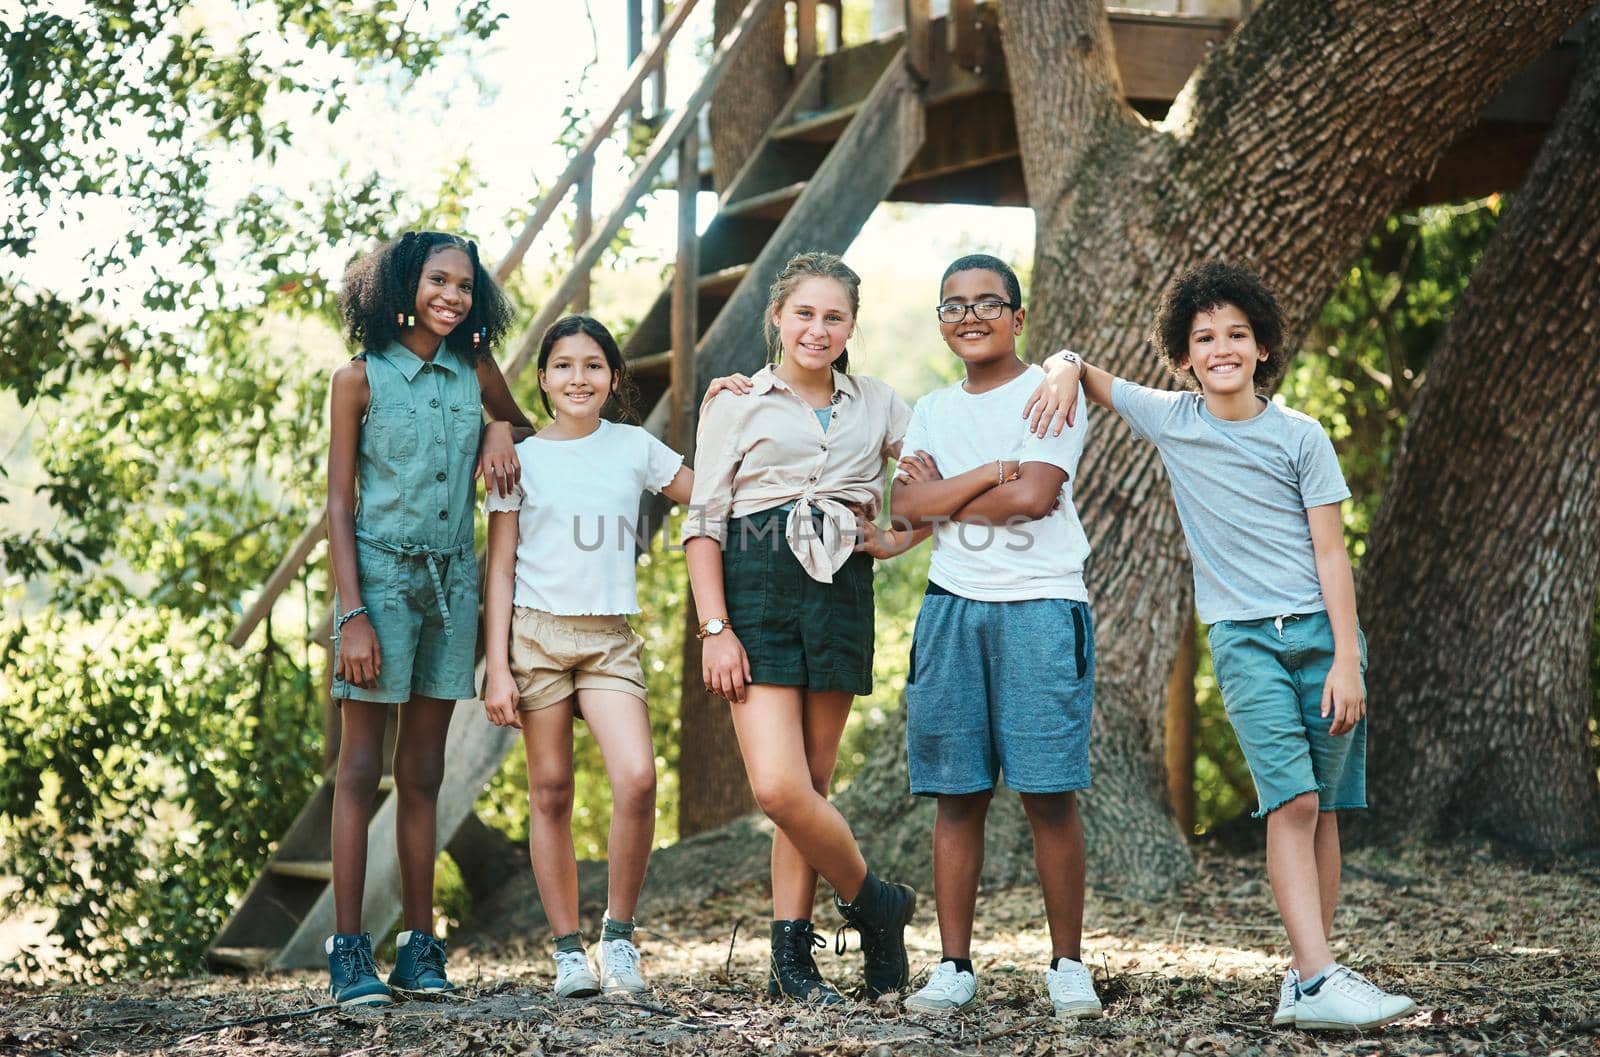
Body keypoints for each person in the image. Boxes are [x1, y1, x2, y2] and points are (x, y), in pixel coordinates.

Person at [1024, 260, 1417, 1032]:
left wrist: (1346, 656)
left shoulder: (1302, 437)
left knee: (1325, 809)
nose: (1222, 347)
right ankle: (1317, 977)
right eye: (1204, 337)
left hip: (1323, 636)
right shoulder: (1174, 417)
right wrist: (1062, 366)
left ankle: (1310, 974)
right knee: (1293, 801)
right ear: (1183, 356)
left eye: (1237, 333)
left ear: (1263, 346)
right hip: (1245, 641)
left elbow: (1332, 555)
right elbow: (1089, 373)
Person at [683, 251, 922, 1005]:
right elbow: (703, 523)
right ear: (778, 318)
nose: (818, 329)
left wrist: (899, 532)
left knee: (814, 783)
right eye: (805, 313)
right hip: (754, 587)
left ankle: (793, 957)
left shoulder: (879, 402)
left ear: (852, 325)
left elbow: (934, 476)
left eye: (835, 316)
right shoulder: (735, 401)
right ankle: (877, 904)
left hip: (840, 586)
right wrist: (714, 626)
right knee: (781, 789)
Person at [885, 254, 1102, 1020]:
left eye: (987, 302)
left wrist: (943, 493)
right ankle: (953, 966)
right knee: (957, 795)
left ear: (1018, 314)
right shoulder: (933, 407)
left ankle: (1068, 963)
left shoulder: (1052, 391)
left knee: (1048, 793)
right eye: (953, 305)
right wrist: (983, 476)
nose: (969, 316)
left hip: (1041, 607)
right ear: (941, 320)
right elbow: (905, 505)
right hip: (953, 607)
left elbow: (1036, 496)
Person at [325, 230, 534, 1008]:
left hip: (452, 586)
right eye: (438, 281)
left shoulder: (475, 369)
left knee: (424, 772)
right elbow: (338, 505)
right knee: (358, 770)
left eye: (466, 286)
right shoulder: (359, 378)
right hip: (377, 585)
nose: (452, 296)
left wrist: (502, 425)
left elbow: (536, 436)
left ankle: (419, 947)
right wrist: (352, 614)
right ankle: (350, 953)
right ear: (404, 284)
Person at [481, 315, 692, 999]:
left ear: (613, 377)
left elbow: (709, 490)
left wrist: (730, 404)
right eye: (564, 365)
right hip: (536, 637)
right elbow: (502, 566)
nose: (579, 377)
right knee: (551, 793)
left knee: (637, 778)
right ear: (542, 379)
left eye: (593, 364)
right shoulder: (520, 457)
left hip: (608, 638)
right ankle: (567, 949)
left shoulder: (634, 446)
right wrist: (497, 664)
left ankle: (619, 936)